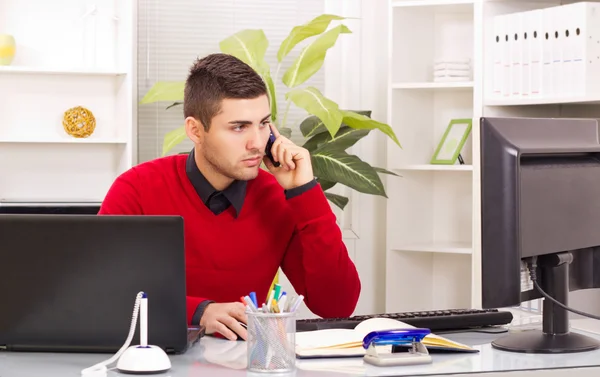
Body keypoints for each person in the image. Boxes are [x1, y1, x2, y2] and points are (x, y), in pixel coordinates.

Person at [98, 53, 361, 341]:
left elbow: (337, 305)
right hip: (153, 357)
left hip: (245, 360)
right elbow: (102, 290)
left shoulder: (278, 197)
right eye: (239, 127)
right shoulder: (137, 188)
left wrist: (305, 191)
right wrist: (199, 312)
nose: (257, 143)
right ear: (195, 130)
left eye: (263, 124)